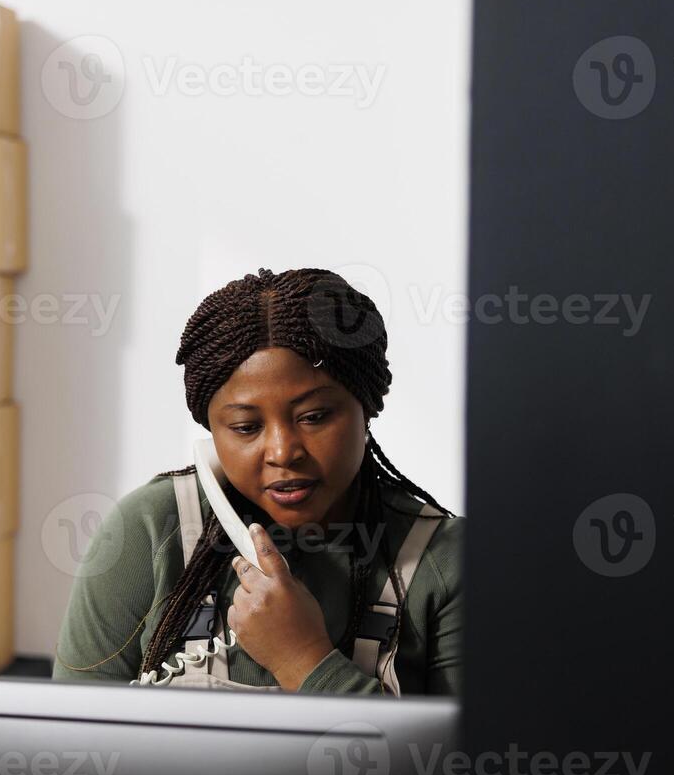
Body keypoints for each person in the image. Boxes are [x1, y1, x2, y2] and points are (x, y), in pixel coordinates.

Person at [53, 268, 463, 695]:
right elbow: (71, 747)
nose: (283, 452)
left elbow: (456, 762)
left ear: (366, 406)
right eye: (246, 427)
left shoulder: (447, 561)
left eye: (314, 417)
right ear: (212, 433)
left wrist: (302, 660)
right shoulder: (148, 530)